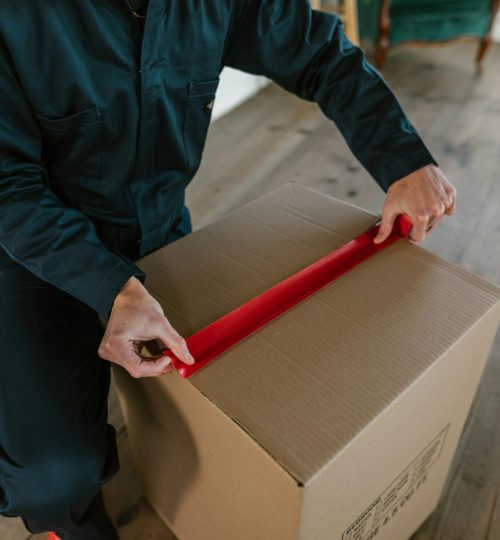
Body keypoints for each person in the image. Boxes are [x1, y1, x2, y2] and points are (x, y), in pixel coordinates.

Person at [0, 0, 456, 538]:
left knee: (226, 402)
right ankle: (66, 524)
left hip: (159, 230)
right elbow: (8, 185)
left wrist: (404, 157)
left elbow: (320, 53)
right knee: (54, 475)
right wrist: (109, 286)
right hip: (38, 253)